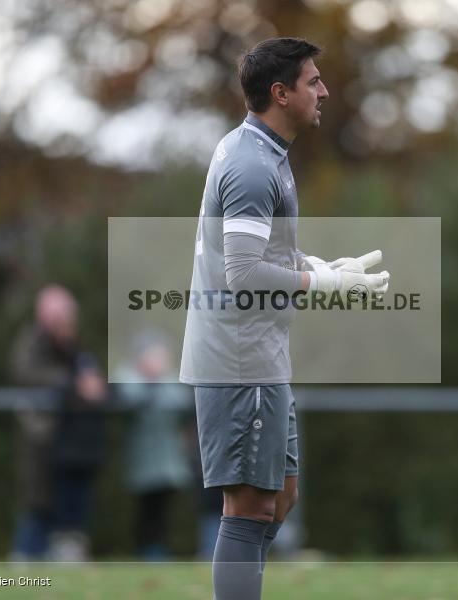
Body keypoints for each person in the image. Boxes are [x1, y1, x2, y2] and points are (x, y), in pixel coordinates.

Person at [179, 38, 389, 599]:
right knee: (248, 507)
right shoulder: (251, 164)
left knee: (282, 495)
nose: (324, 90)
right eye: (313, 81)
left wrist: (320, 265)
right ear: (281, 93)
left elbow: (258, 256)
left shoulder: (264, 151)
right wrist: (323, 284)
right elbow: (243, 274)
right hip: (238, 357)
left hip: (260, 353)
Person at [10, 285, 107, 561]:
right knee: (36, 500)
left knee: (64, 502)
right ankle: (25, 556)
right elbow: (25, 373)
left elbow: (90, 376)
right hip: (39, 435)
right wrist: (71, 384)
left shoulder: (74, 347)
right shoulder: (30, 343)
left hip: (68, 440)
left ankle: (53, 556)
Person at [114, 330, 192, 559]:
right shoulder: (127, 377)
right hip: (141, 459)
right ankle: (145, 552)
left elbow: (181, 403)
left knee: (163, 512)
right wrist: (150, 385)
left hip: (169, 461)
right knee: (144, 511)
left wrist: (156, 384)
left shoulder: (170, 381)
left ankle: (158, 553)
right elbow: (130, 402)